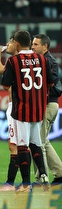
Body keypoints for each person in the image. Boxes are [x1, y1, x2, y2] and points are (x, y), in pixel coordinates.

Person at [1, 30, 53, 192]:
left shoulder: (13, 61)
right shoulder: (43, 60)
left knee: (22, 146)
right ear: (29, 42)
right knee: (36, 143)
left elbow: (5, 85)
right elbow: (50, 83)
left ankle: (26, 184)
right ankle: (44, 176)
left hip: (21, 110)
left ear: (16, 43)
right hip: (37, 110)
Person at [31, 33, 62, 185]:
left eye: (36, 44)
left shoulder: (48, 62)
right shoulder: (42, 60)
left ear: (45, 46)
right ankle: (60, 172)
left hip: (47, 104)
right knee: (44, 141)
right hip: (48, 104)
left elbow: (51, 85)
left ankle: (40, 178)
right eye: (32, 44)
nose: (32, 47)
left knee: (39, 143)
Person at [0, 36, 20, 191]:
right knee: (17, 145)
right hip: (14, 105)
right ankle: (34, 178)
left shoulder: (15, 61)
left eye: (9, 42)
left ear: (16, 44)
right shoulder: (18, 61)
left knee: (17, 145)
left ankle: (11, 183)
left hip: (17, 106)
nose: (6, 45)